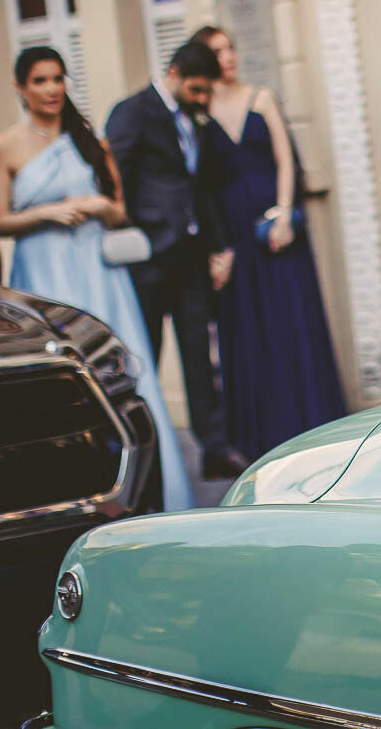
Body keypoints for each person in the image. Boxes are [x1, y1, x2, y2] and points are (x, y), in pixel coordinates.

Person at [0, 47, 192, 509]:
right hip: (43, 268)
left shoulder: (88, 136)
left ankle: (150, 490)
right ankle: (68, 490)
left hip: (99, 274)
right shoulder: (6, 146)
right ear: (20, 87)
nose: (52, 89)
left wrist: (99, 206)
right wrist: (46, 213)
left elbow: (120, 211)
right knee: (60, 373)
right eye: (40, 80)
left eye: (58, 78)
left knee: (119, 367)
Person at [198, 25, 349, 458]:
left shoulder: (260, 98)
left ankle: (311, 420)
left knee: (291, 322)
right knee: (248, 328)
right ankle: (260, 435)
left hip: (275, 230)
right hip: (234, 235)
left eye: (230, 48)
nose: (227, 57)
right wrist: (218, 246)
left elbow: (287, 160)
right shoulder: (201, 110)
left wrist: (284, 213)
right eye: (217, 51)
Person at [105, 42, 250, 480]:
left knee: (198, 357)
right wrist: (134, 229)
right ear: (174, 73)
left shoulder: (193, 118)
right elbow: (116, 177)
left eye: (207, 91)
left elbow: (200, 187)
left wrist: (216, 246)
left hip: (189, 258)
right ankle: (146, 452)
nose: (204, 99)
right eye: (197, 89)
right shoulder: (132, 111)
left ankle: (214, 449)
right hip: (149, 257)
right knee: (144, 355)